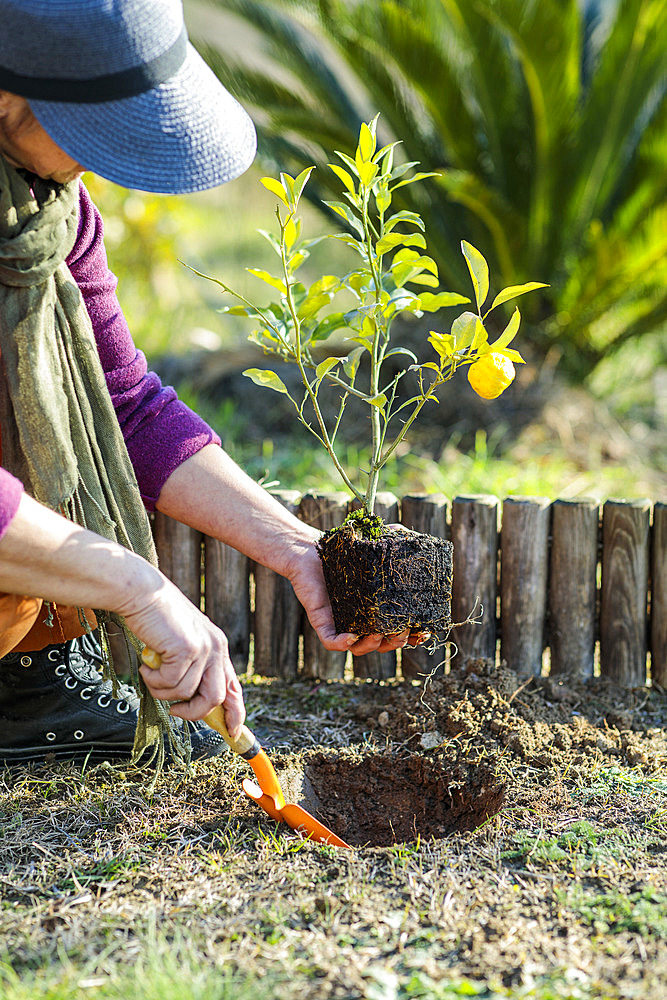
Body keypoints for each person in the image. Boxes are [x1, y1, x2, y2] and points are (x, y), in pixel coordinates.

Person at [0, 0, 417, 766]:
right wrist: (136, 587)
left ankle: (22, 678)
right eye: (95, 127)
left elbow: (122, 404)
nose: (102, 159)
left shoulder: (48, 212)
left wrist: (297, 548)